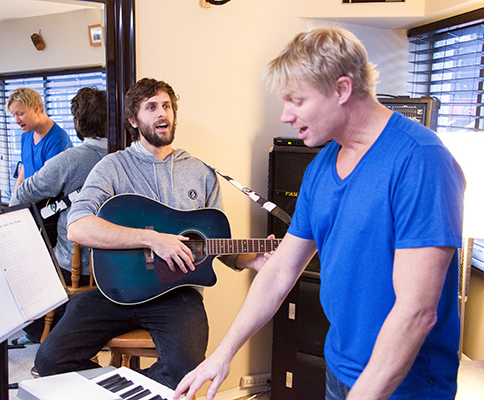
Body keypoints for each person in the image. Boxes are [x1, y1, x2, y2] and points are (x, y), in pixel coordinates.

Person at [175, 27, 465, 400]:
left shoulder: (421, 160)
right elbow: (280, 270)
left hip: (404, 383)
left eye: (296, 100)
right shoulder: (321, 167)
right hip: (340, 369)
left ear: (342, 90)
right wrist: (223, 353)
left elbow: (416, 312)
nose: (285, 115)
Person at [34, 78, 270, 389]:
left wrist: (252, 261)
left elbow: (214, 243)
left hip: (177, 298)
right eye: (152, 107)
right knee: (49, 360)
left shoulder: (201, 172)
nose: (163, 114)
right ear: (133, 120)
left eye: (167, 106)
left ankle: (129, 390)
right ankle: (116, 391)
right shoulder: (112, 167)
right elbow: (78, 226)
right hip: (115, 293)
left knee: (185, 372)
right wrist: (152, 239)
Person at [9, 87, 108, 344]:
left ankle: (45, 332)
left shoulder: (71, 158)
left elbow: (23, 193)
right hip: (116, 267)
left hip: (77, 268)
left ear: (78, 123)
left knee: (25, 268)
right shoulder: (130, 156)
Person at [7, 87, 73, 193]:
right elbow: (23, 172)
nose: (16, 120)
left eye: (20, 114)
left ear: (36, 108)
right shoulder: (26, 135)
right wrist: (14, 204)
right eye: (14, 115)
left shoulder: (58, 141)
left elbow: (49, 187)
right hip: (27, 202)